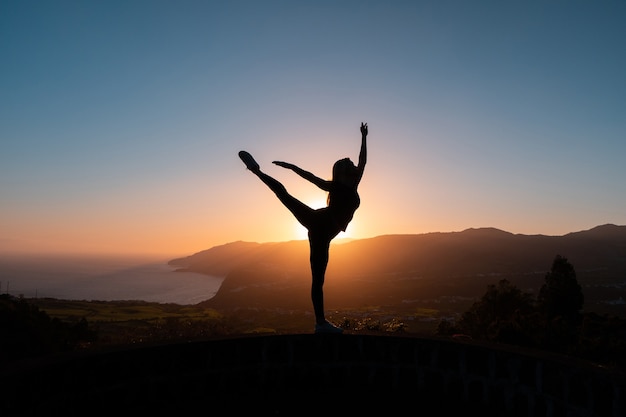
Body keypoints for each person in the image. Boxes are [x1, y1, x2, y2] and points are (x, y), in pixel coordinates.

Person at [238, 122, 368, 333]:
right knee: (284, 195)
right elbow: (311, 177)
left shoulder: (353, 183)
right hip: (318, 225)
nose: (354, 163)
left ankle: (320, 323)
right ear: (343, 171)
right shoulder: (334, 186)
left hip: (321, 229)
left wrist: (364, 137)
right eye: (349, 163)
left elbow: (363, 160)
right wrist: (292, 167)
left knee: (318, 280)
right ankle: (256, 171)